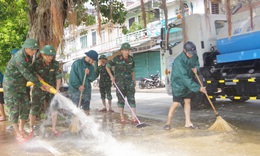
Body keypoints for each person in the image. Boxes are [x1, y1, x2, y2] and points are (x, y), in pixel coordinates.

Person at [3, 38, 51, 143]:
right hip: (11, 86)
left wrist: (38, 76)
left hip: (20, 86)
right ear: (26, 48)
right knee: (14, 108)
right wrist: (41, 85)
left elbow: (31, 70)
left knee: (25, 106)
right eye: (33, 50)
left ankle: (21, 128)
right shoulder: (19, 58)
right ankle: (17, 132)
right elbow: (27, 74)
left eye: (35, 50)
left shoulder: (27, 57)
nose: (34, 52)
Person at [164, 41, 207, 130]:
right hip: (178, 84)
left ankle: (188, 123)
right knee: (176, 103)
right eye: (189, 53)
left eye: (192, 53)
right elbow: (184, 78)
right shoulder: (178, 61)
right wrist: (199, 88)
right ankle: (168, 123)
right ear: (184, 51)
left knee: (187, 101)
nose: (191, 55)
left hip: (188, 84)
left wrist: (196, 68)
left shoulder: (194, 55)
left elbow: (196, 64)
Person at [29, 45, 62, 136]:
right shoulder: (36, 63)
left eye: (51, 55)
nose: (50, 57)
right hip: (39, 88)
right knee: (34, 108)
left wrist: (57, 90)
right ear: (43, 55)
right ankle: (31, 129)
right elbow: (32, 74)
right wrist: (39, 80)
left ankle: (54, 129)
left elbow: (58, 77)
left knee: (54, 109)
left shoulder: (55, 64)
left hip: (51, 89)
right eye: (48, 55)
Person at [106, 42, 137, 124]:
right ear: (122, 51)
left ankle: (133, 118)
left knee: (132, 99)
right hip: (119, 83)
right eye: (126, 50)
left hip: (129, 82)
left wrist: (134, 79)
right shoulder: (116, 59)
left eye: (128, 50)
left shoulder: (131, 59)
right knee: (121, 100)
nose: (127, 52)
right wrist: (111, 76)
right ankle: (122, 118)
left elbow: (132, 70)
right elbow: (107, 66)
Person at [68, 50, 98, 115]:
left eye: (94, 61)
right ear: (88, 57)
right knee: (75, 109)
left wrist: (89, 73)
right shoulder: (77, 63)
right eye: (92, 60)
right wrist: (78, 86)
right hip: (75, 92)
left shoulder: (91, 67)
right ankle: (74, 123)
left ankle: (85, 123)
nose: (93, 62)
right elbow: (73, 77)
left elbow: (92, 78)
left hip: (86, 91)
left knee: (86, 109)